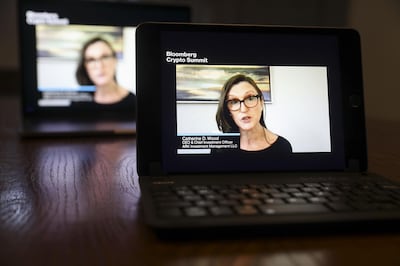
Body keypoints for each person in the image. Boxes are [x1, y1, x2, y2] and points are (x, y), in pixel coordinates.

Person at [216, 74, 292, 154]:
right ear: (228, 111)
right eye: (234, 102)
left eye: (250, 98)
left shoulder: (283, 147)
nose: (243, 109)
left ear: (261, 102)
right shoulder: (220, 147)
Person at [76, 37, 136, 106]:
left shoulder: (134, 101)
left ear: (115, 60)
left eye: (105, 57)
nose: (99, 65)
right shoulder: (77, 101)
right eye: (91, 60)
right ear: (85, 66)